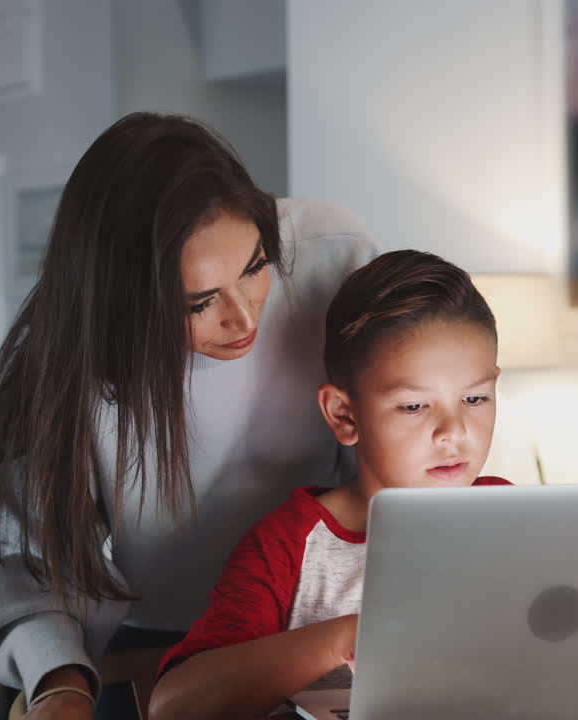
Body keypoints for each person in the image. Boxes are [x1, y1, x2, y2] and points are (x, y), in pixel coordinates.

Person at [0, 112, 376, 719]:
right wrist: (60, 685)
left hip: (315, 630)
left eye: (255, 268)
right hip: (145, 649)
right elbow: (20, 558)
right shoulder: (61, 352)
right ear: (121, 304)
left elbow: (389, 447)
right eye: (198, 302)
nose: (243, 318)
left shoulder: (333, 255)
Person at [147, 250, 511, 719]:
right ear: (344, 414)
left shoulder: (510, 517)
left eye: (475, 398)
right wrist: (349, 638)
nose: (454, 432)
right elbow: (173, 706)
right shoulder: (288, 547)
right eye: (414, 406)